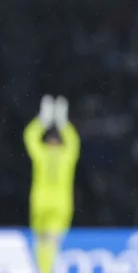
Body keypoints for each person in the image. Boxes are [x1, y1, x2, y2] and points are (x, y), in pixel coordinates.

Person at [24, 94, 80, 273]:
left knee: (47, 239)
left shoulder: (58, 155)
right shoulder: (60, 155)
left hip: (51, 204)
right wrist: (59, 123)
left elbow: (30, 137)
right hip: (49, 203)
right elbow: (73, 142)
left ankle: (45, 271)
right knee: (43, 241)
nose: (54, 143)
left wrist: (44, 121)